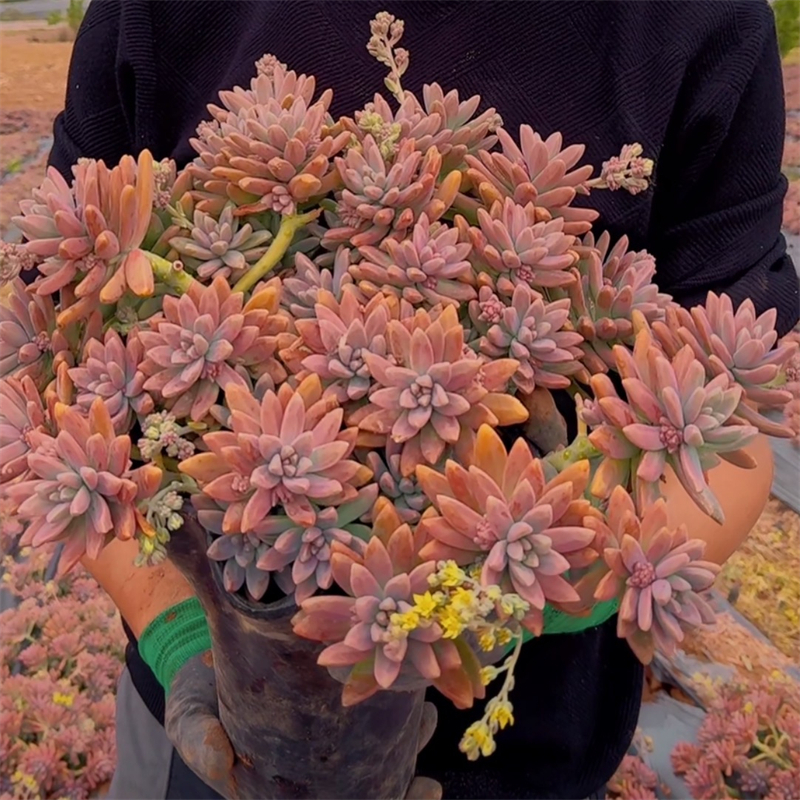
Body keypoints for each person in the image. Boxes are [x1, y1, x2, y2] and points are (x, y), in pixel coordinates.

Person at [46, 1, 798, 798]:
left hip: (529, 751)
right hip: (213, 735)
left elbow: (737, 411)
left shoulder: (692, 19)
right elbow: (56, 362)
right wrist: (176, 626)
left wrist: (568, 584)